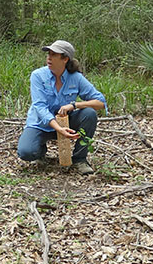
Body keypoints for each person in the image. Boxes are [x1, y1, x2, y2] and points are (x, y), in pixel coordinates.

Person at [17, 40, 106, 174]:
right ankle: (40, 152)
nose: (49, 58)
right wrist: (59, 129)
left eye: (54, 55)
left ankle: (80, 159)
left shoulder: (76, 78)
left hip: (66, 122)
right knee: (26, 152)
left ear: (65, 59)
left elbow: (101, 102)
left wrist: (74, 105)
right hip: (40, 124)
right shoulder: (38, 76)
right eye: (48, 54)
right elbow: (40, 107)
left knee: (89, 114)